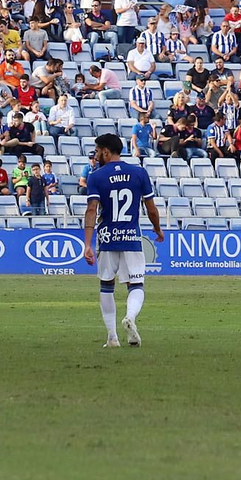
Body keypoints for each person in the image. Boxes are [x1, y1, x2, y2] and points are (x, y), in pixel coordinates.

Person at [82, 132, 163, 347]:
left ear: (106, 152)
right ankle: (130, 317)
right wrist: (158, 229)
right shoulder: (139, 173)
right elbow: (151, 209)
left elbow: (92, 209)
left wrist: (87, 243)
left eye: (98, 151)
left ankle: (112, 337)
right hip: (131, 237)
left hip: (108, 238)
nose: (96, 155)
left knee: (106, 285)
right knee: (136, 284)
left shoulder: (96, 176)